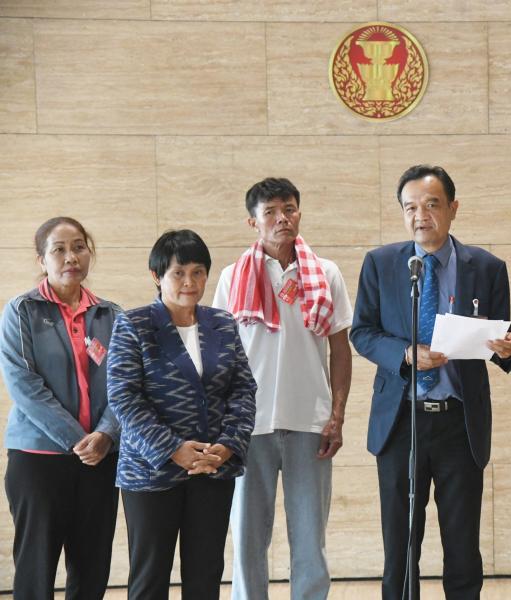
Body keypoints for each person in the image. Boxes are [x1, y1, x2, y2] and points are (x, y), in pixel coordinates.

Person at [351, 164, 511, 600]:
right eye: (410, 207)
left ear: (453, 208)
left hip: (458, 422)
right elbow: (363, 332)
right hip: (400, 422)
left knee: (462, 546)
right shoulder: (381, 264)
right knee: (401, 546)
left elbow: (500, 337)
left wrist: (505, 349)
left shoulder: (486, 267)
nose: (420, 216)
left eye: (431, 205)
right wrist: (406, 354)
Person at [213, 177, 353, 600]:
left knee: (310, 538)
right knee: (248, 538)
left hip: (310, 423)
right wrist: (222, 424)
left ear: (299, 213)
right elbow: (219, 355)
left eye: (289, 209)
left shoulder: (326, 272)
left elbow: (340, 350)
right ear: (252, 222)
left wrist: (337, 416)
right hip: (247, 427)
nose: (282, 219)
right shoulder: (231, 276)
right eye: (270, 212)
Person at [106, 230, 257, 600]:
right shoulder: (134, 324)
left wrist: (227, 446)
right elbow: (124, 397)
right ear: (157, 276)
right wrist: (173, 448)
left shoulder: (222, 323)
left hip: (212, 467)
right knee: (150, 577)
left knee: (206, 575)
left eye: (198, 272)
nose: (189, 282)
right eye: (178, 273)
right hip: (150, 472)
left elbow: (243, 389)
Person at [1, 217, 120, 600]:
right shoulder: (21, 311)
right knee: (36, 571)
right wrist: (81, 440)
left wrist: (105, 435)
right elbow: (25, 386)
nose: (71, 257)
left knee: (92, 569)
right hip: (39, 460)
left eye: (79, 247)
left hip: (100, 460)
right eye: (59, 249)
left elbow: (125, 386)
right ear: (42, 259)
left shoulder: (111, 315)